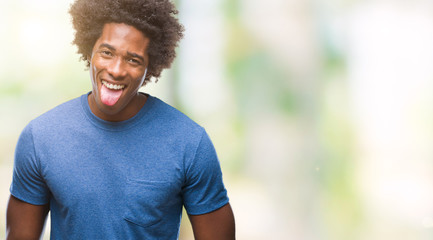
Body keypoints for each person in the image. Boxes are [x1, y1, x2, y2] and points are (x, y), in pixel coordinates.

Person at [6, 0, 235, 239]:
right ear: (89, 51)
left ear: (150, 67)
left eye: (133, 60)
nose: (116, 69)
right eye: (107, 52)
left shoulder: (189, 143)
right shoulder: (40, 137)